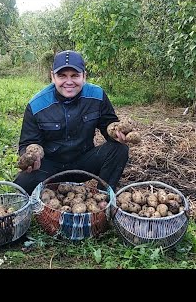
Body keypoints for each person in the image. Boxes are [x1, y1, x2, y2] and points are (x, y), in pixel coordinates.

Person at [14, 50, 130, 195]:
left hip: (84, 163)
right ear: (52, 77)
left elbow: (109, 124)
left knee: (119, 149)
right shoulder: (37, 105)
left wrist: (116, 132)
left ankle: (104, 198)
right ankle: (44, 197)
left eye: (75, 75)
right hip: (50, 168)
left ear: (84, 76)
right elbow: (27, 142)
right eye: (62, 76)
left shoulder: (97, 95)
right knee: (22, 183)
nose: (69, 82)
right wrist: (30, 156)